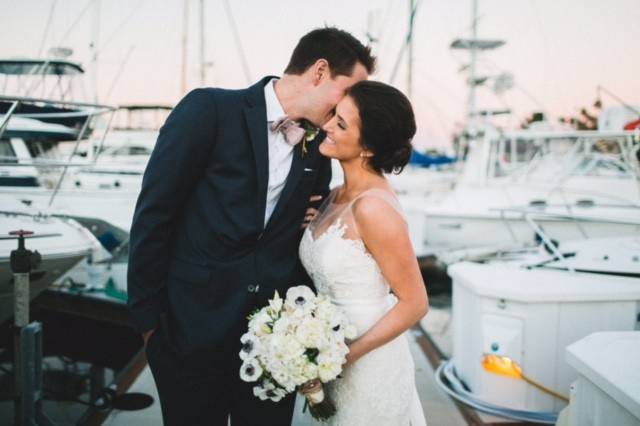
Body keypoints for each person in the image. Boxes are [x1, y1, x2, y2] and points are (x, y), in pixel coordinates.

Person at [127, 27, 375, 426]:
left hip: (274, 349)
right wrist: (148, 326)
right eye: (347, 91)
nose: (349, 105)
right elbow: (154, 215)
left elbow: (298, 234)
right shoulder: (209, 110)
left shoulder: (318, 152)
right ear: (319, 71)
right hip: (188, 334)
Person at [299, 80, 429, 425]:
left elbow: (415, 303)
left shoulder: (373, 208)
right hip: (332, 353)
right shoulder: (334, 195)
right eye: (334, 116)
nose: (326, 126)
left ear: (368, 147)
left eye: (341, 124)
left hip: (368, 364)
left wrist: (343, 356)